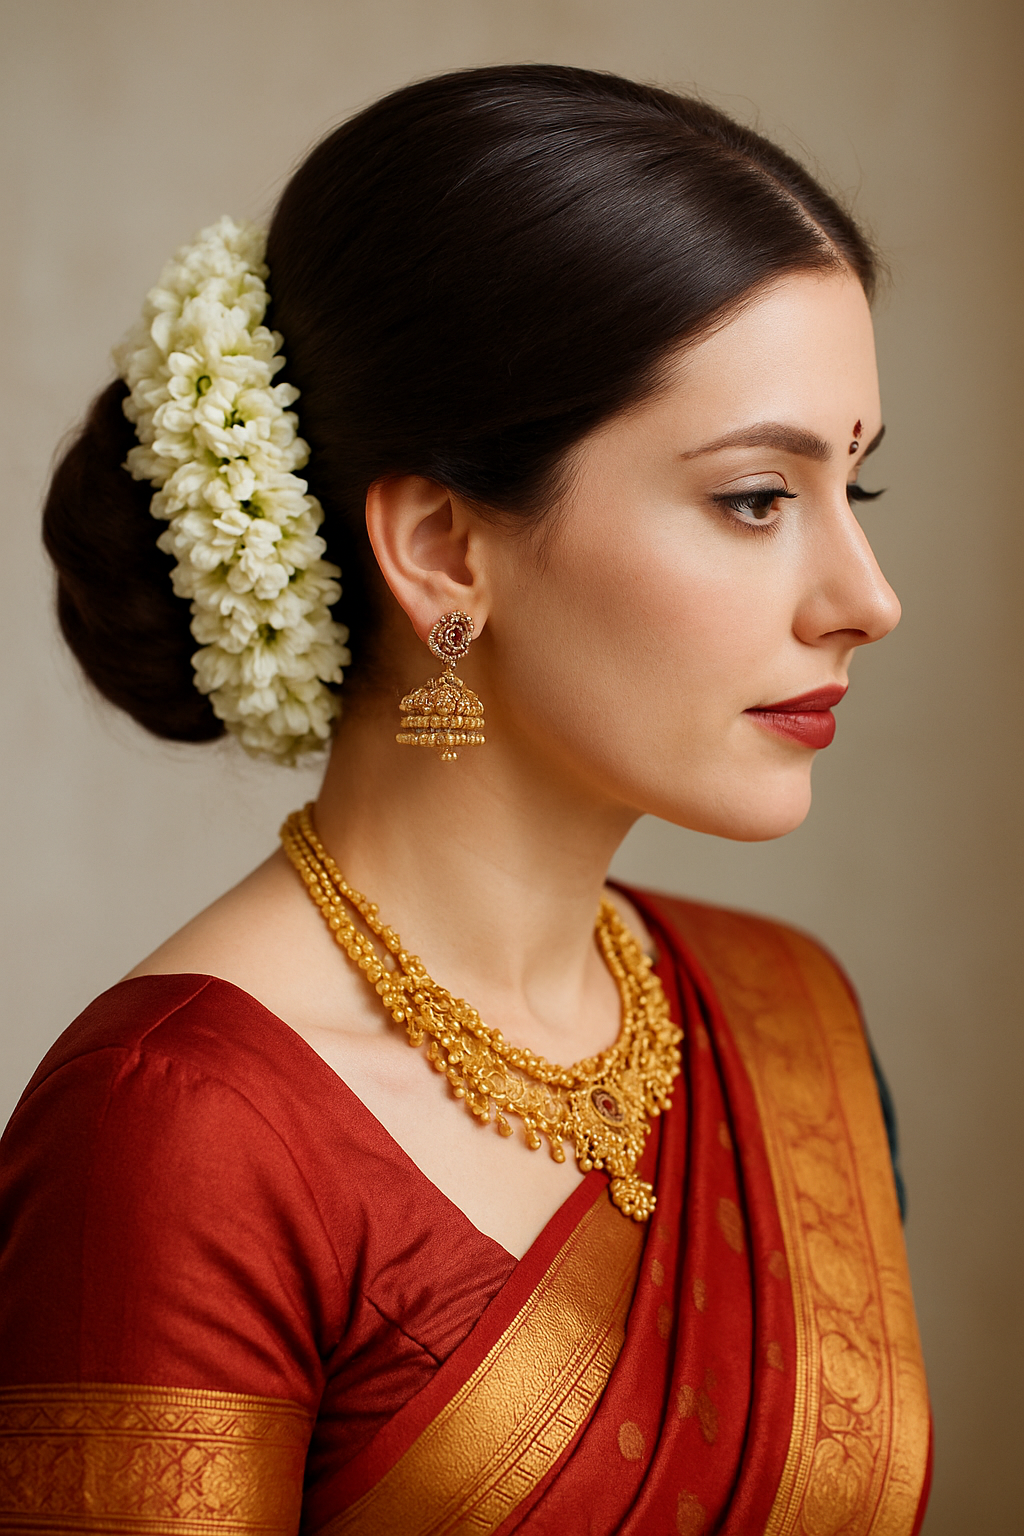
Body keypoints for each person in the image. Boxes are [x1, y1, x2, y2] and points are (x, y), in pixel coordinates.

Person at [0, 64, 930, 1536]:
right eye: (757, 497)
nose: (867, 600)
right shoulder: (179, 1126)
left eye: (853, 493)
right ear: (442, 547)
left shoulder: (783, 1025)